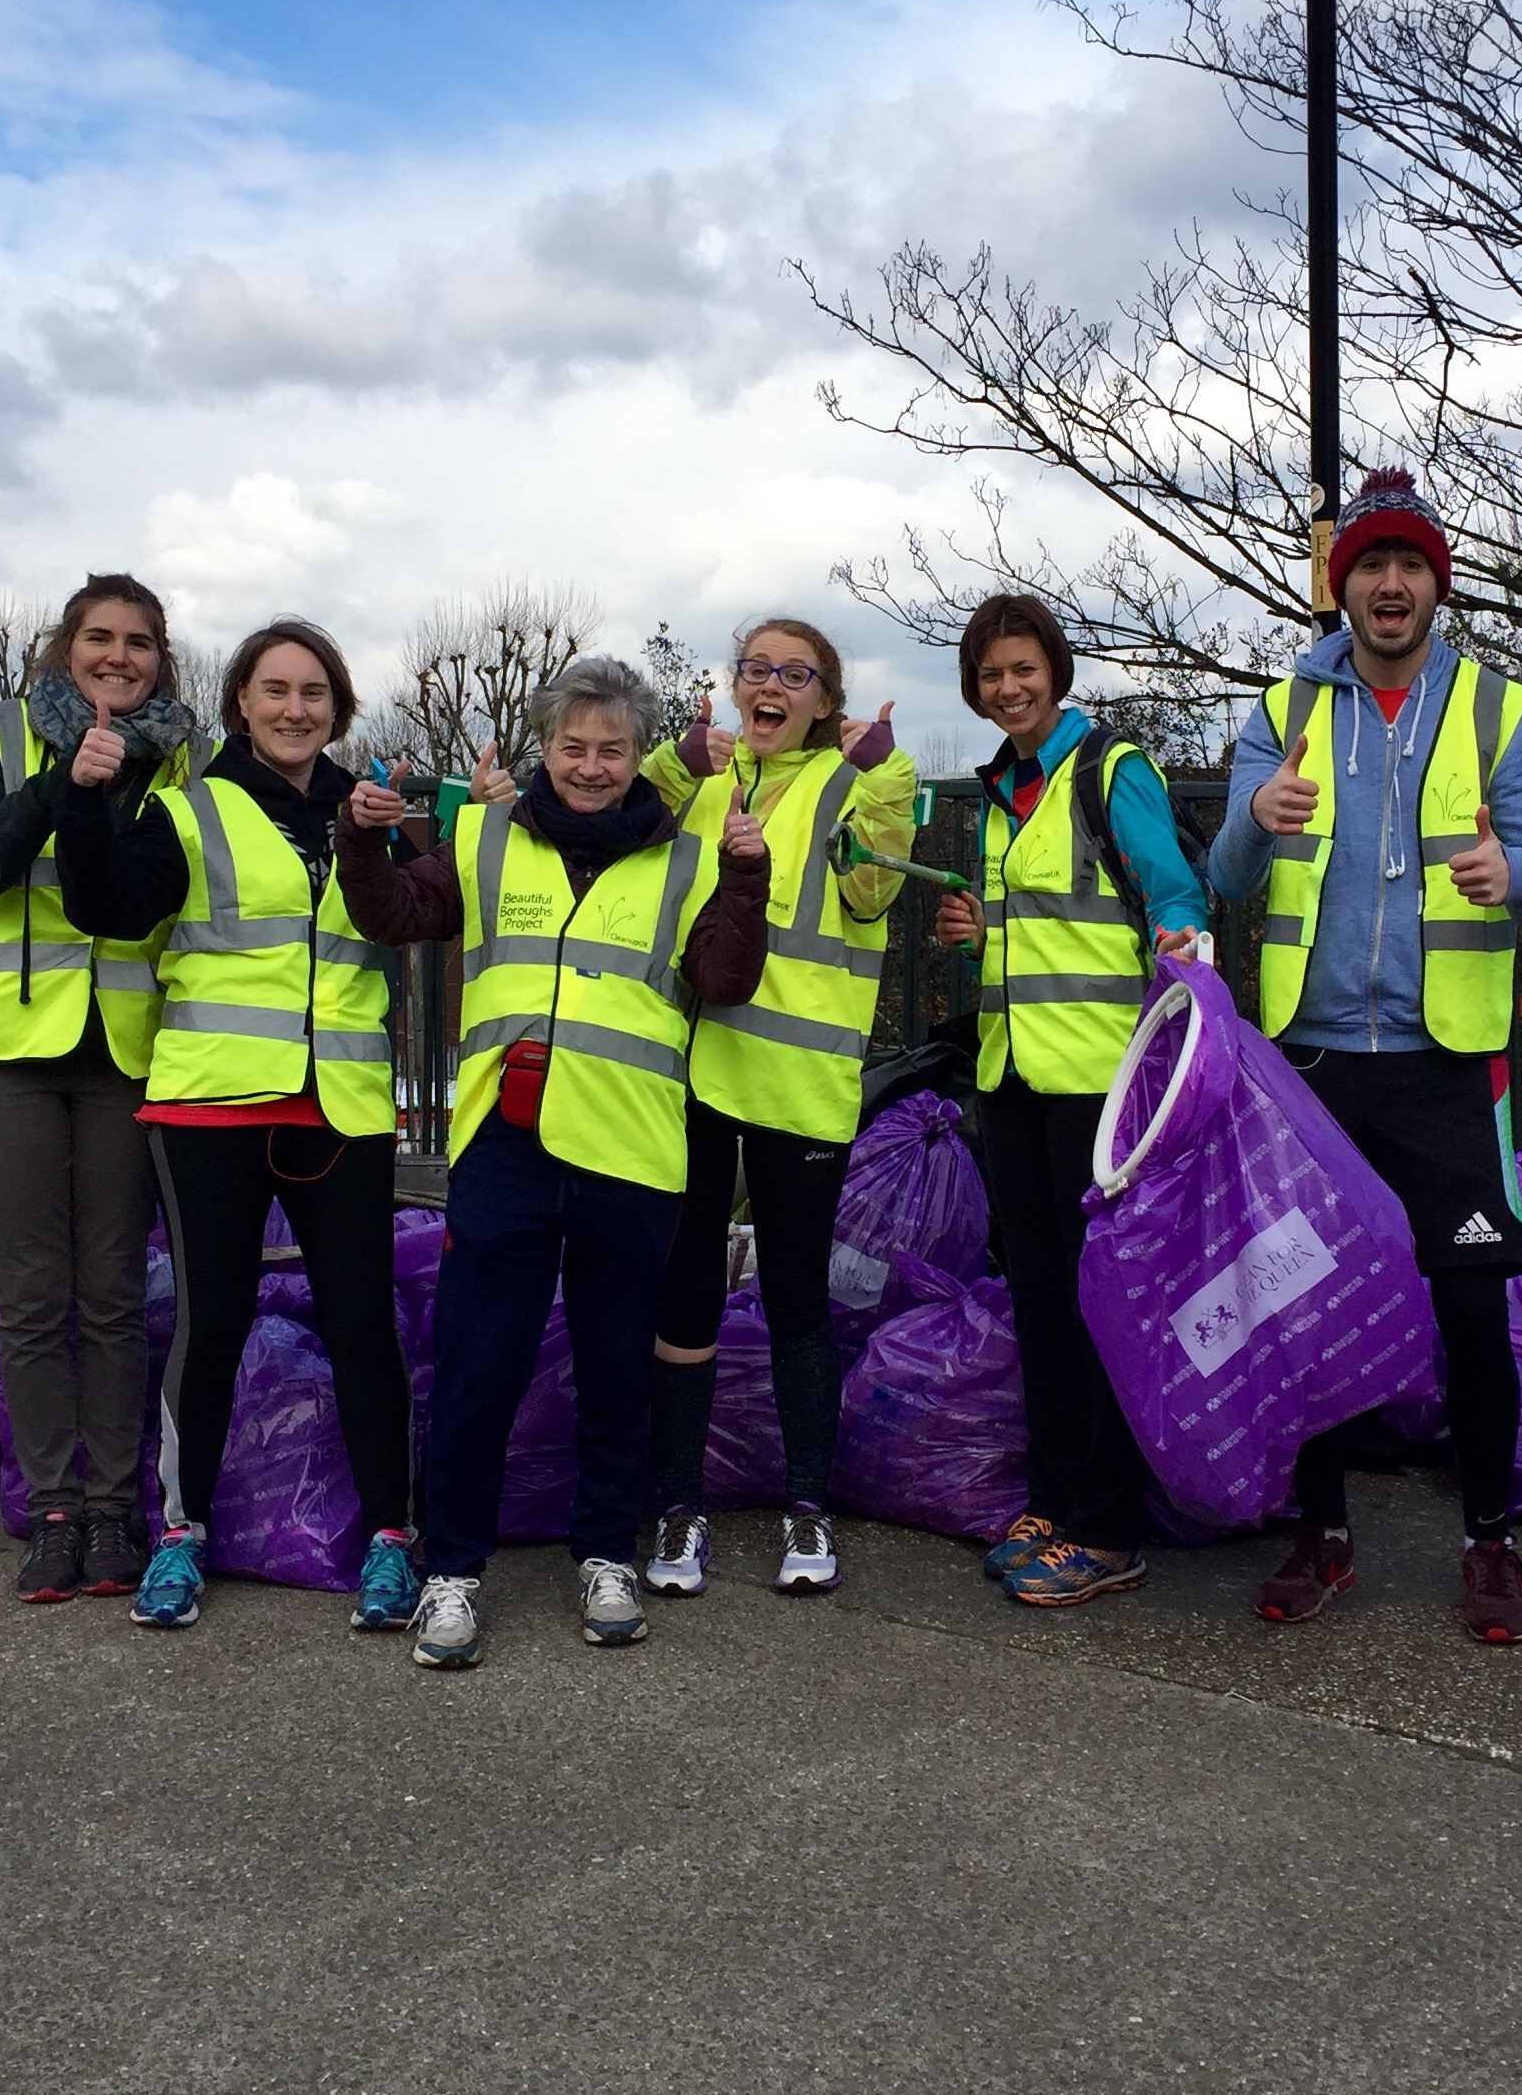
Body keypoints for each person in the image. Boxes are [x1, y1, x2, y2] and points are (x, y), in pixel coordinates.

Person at [1206, 466, 1522, 1640]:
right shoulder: (1281, 712)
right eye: (1370, 564)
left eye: (1410, 564)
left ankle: (1490, 1538)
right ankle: (1319, 1532)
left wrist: (1510, 876)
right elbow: (1225, 877)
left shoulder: (1497, 713)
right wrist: (1251, 822)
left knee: (1470, 1310)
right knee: (1307, 1306)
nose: (1390, 583)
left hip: (1444, 1060)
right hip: (1308, 1065)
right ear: (1343, 587)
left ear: (1435, 587)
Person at [337, 658, 770, 1669]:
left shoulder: (687, 855)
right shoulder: (483, 836)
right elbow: (393, 914)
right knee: (479, 1364)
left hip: (631, 1148)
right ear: (542, 749)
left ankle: (605, 1553)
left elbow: (725, 979)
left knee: (618, 1367)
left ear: (636, 758)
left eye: (610, 749)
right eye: (572, 747)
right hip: (505, 1148)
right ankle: (453, 1571)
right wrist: (358, 838)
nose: (589, 765)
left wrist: (747, 878)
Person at [53, 617, 416, 1635]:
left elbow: (424, 911)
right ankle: (181, 1537)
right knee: (210, 1324)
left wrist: (449, 824)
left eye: (314, 694)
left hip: (339, 1103)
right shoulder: (190, 809)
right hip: (212, 1099)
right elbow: (109, 909)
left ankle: (391, 1538)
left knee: (360, 1324)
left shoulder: (368, 809)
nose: (295, 709)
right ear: (240, 705)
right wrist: (84, 802)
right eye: (275, 691)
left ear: (336, 709)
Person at [933, 595, 1207, 1608]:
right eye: (990, 675)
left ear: (1057, 669)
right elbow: (1048, 932)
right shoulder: (1005, 791)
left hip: (1098, 1084)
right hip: (1011, 1079)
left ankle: (1106, 1527)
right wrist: (979, 937)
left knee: (1100, 1311)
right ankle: (1055, 1503)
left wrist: (1184, 947)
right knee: (1042, 1307)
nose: (1008, 688)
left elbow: (1172, 891)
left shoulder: (1107, 772)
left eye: (1023, 669)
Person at [635, 617, 916, 1599]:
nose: (770, 686)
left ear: (824, 702)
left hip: (799, 1085)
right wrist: (676, 755)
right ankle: (677, 1510)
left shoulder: (850, 785)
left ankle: (807, 1504)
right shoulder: (705, 785)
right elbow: (633, 811)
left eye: (794, 674)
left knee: (798, 1301)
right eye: (755, 669)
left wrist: (883, 769)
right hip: (699, 1075)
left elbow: (877, 890)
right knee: (685, 1297)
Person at [0, 575, 192, 1606]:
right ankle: (52, 1508)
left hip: (127, 1049)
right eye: (99, 638)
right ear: (63, 647)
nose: (117, 658)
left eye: (138, 643)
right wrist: (56, 785)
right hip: (4, 1049)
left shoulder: (188, 758)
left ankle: (112, 1507)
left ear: (160, 659)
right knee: (36, 1293)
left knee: (116, 1293)